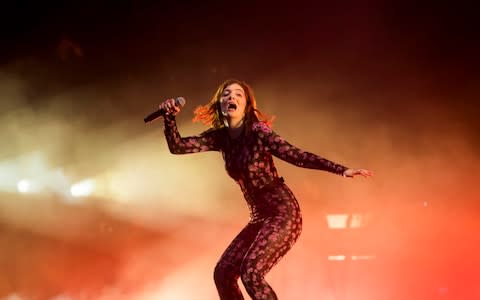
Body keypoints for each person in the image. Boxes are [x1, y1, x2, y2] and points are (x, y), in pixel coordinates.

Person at [159, 79, 373, 300]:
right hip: (259, 218)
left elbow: (296, 155)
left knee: (251, 273)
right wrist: (169, 117)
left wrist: (341, 170)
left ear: (247, 105)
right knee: (223, 273)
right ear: (220, 104)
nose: (231, 97)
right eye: (226, 94)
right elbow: (178, 147)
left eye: (238, 95)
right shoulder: (220, 138)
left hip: (283, 213)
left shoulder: (258, 131)